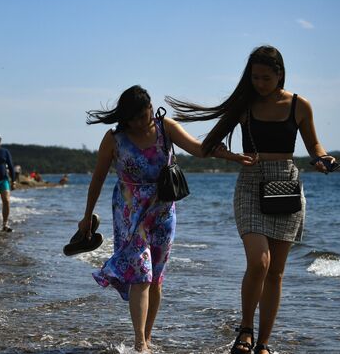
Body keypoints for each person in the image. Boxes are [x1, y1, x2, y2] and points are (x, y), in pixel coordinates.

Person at [165, 45, 337, 354]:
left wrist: (323, 159)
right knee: (260, 261)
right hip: (250, 184)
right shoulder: (244, 106)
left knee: (276, 273)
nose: (259, 83)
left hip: (286, 184)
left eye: (265, 78)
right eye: (255, 77)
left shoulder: (300, 105)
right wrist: (233, 157)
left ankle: (264, 343)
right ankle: (245, 330)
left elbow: (314, 145)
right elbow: (208, 147)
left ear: (280, 75)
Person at [79, 85, 251, 352]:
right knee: (141, 275)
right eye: (132, 118)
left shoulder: (165, 128)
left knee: (156, 278)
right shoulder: (114, 139)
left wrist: (229, 155)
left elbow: (198, 149)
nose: (138, 123)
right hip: (130, 213)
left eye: (142, 115)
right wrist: (87, 216)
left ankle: (147, 337)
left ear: (151, 108)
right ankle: (140, 344)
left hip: (163, 212)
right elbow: (98, 178)